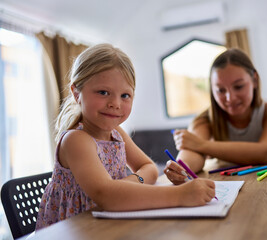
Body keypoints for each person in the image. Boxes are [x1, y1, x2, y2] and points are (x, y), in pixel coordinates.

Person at [36, 43, 215, 230]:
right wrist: (180, 196)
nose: (115, 103)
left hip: (109, 222)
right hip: (74, 229)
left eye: (125, 95)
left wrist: (125, 185)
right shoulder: (76, 140)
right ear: (76, 93)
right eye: (103, 92)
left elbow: (150, 169)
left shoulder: (116, 133)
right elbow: (106, 195)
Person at [164, 48, 267, 185]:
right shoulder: (203, 121)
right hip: (227, 186)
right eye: (221, 90)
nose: (230, 98)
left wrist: (202, 144)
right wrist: (180, 169)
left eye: (239, 86)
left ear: (255, 80)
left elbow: (266, 153)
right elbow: (191, 156)